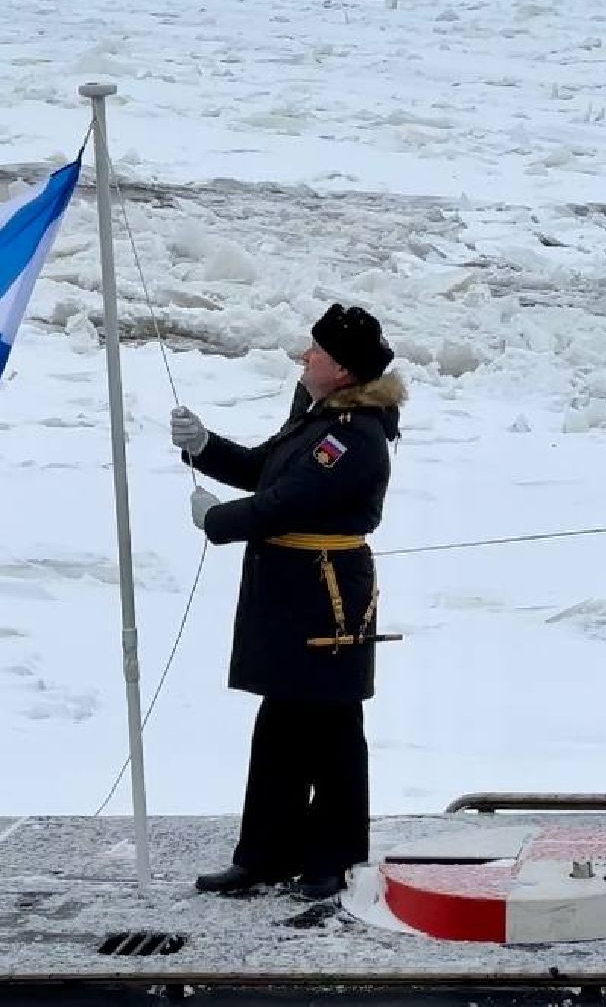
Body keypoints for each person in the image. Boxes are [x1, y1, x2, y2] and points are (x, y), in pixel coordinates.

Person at [172, 304, 405, 903]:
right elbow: (267, 470)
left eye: (317, 352)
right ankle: (266, 854)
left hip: (324, 594)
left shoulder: (353, 435)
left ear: (345, 370)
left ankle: (333, 858)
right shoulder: (320, 414)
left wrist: (216, 521)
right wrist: (206, 448)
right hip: (290, 589)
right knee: (280, 727)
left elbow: (287, 503)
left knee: (330, 729)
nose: (305, 357)